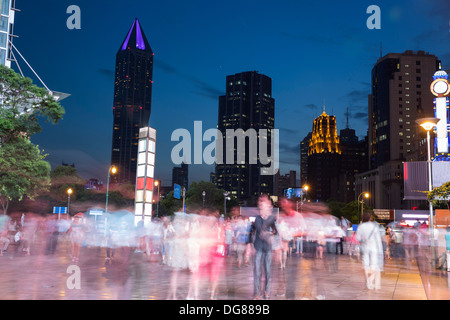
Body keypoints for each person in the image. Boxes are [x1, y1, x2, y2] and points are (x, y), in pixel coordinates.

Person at [251, 194, 278, 300]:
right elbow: (260, 229)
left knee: (268, 271)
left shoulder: (271, 218)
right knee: (257, 271)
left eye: (265, 205)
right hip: (258, 247)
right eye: (261, 206)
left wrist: (271, 234)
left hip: (268, 248)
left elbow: (275, 231)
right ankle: (257, 293)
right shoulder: (258, 218)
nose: (263, 207)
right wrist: (268, 231)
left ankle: (266, 292)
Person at [356, 212, 384, 290]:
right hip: (374, 248)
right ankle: (370, 281)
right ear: (370, 218)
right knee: (373, 265)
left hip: (365, 247)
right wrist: (380, 250)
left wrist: (363, 239)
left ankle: (367, 281)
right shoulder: (374, 226)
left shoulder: (361, 226)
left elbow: (357, 238)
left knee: (366, 265)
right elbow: (378, 239)